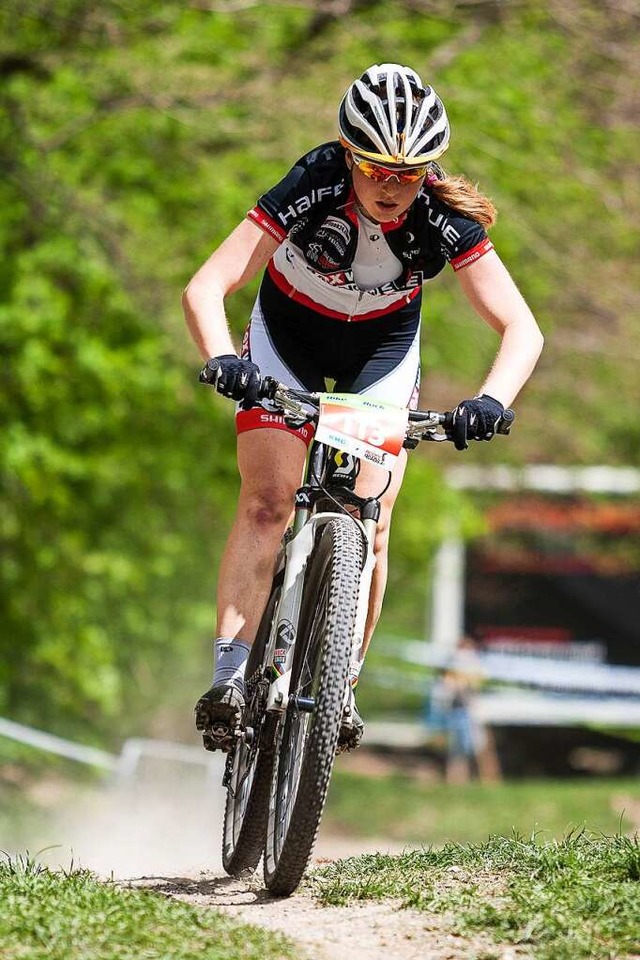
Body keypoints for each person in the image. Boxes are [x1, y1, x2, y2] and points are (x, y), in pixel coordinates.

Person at [182, 63, 544, 753]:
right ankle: (229, 677)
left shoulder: (442, 216)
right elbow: (208, 285)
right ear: (349, 154)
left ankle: (340, 686)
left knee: (371, 525)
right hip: (285, 338)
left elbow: (523, 328)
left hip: (379, 355)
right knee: (268, 500)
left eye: (408, 173)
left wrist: (492, 400)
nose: (391, 185)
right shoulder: (311, 183)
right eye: (376, 167)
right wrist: (225, 356)